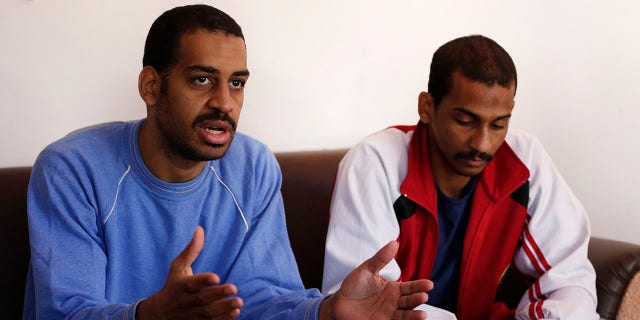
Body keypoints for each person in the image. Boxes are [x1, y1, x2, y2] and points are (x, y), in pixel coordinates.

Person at [23, 4, 433, 319]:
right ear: (151, 86)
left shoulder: (252, 167)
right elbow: (65, 311)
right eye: (202, 79)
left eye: (236, 83)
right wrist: (149, 314)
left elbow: (262, 300)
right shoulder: (73, 169)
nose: (224, 102)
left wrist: (327, 311)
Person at [322, 35, 599, 319]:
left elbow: (570, 278)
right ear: (427, 107)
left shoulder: (524, 160)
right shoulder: (374, 162)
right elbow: (369, 305)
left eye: (498, 124)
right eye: (465, 122)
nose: (482, 143)